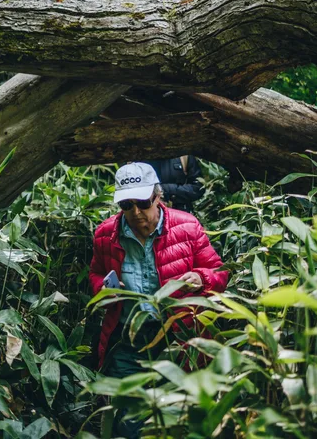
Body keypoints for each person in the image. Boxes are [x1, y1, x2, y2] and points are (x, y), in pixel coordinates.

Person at [89, 162, 228, 437]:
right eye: (127, 205)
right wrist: (104, 288)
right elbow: (96, 273)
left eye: (143, 202)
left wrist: (202, 277)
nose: (136, 212)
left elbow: (219, 273)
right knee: (128, 425)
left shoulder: (187, 228)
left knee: (177, 420)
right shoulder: (106, 234)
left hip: (177, 342)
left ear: (158, 196)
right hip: (128, 342)